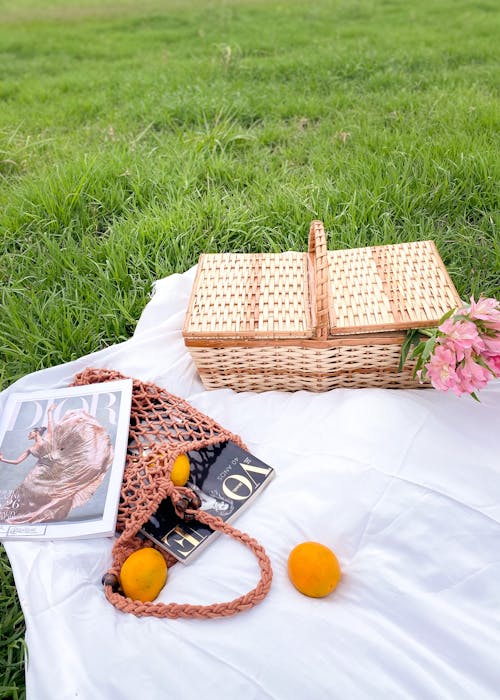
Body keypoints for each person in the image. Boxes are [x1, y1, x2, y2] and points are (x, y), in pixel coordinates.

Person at [0, 403, 114, 524]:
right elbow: (17, 462)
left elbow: (50, 424)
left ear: (36, 432)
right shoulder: (30, 448)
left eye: (31, 432)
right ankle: (13, 512)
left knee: (55, 491)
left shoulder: (49, 437)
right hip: (38, 471)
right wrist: (2, 460)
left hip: (55, 468)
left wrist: (49, 412)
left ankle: (37, 513)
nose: (29, 434)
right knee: (26, 491)